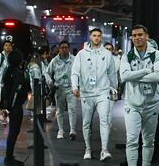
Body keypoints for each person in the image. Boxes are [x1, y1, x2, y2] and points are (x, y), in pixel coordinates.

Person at [120, 25, 159, 166]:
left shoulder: (157, 54)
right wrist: (146, 71)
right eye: (134, 35)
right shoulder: (127, 56)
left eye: (140, 35)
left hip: (151, 105)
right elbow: (124, 76)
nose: (137, 38)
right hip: (132, 105)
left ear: (146, 36)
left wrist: (134, 77)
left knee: (149, 141)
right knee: (132, 140)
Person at [71, 28, 117, 161]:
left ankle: (104, 150)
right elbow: (75, 72)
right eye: (94, 35)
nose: (97, 38)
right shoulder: (81, 54)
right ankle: (88, 149)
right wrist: (75, 86)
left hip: (103, 92)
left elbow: (112, 73)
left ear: (101, 38)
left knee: (104, 121)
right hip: (86, 93)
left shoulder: (107, 54)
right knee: (86, 123)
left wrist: (114, 89)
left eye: (99, 36)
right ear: (90, 37)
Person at [0, 49, 28, 166]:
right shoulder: (17, 72)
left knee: (13, 131)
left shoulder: (8, 70)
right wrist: (9, 108)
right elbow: (16, 92)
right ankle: (9, 158)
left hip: (10, 105)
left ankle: (9, 156)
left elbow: (5, 90)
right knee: (14, 131)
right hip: (15, 106)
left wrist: (5, 106)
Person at [46, 41, 77, 140]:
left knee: (72, 110)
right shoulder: (55, 61)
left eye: (66, 47)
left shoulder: (74, 60)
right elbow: (47, 72)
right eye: (62, 47)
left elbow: (79, 72)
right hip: (59, 89)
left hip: (71, 88)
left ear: (69, 48)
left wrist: (78, 85)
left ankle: (72, 130)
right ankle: (60, 131)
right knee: (60, 111)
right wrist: (50, 82)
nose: (64, 49)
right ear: (59, 49)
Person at [104, 42, 120, 127]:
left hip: (113, 88)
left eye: (110, 49)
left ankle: (108, 126)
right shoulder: (98, 59)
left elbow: (119, 72)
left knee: (110, 109)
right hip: (101, 88)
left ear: (112, 50)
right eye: (106, 49)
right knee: (103, 111)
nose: (108, 51)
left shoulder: (117, 60)